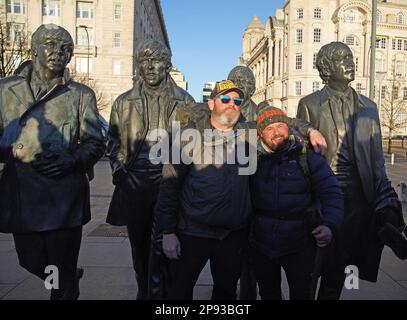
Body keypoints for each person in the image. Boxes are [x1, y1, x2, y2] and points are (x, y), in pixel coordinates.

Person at [156, 80, 327, 300]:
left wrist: (311, 130)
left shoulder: (247, 132)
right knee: (179, 291)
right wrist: (168, 232)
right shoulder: (188, 137)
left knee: (226, 293)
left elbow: (281, 121)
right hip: (193, 233)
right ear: (211, 104)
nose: (232, 105)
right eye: (225, 99)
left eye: (237, 101)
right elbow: (169, 185)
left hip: (232, 236)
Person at [0, 24, 105, 300]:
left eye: (65, 48)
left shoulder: (81, 94)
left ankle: (65, 285)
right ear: (33, 49)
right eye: (49, 44)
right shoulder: (4, 90)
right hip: (22, 195)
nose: (57, 52)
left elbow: (96, 142)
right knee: (30, 260)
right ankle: (66, 278)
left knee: (61, 271)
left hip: (64, 196)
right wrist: (10, 149)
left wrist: (72, 160)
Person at [297, 41, 407, 300]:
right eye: (342, 59)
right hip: (326, 192)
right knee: (322, 263)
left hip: (358, 194)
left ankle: (390, 227)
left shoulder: (369, 106)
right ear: (326, 67)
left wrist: (384, 192)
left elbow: (376, 156)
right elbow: (301, 153)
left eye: (351, 57)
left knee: (347, 263)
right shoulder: (310, 104)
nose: (351, 62)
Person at [106, 39, 196, 300]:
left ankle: (159, 295)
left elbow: (191, 139)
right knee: (140, 244)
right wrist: (117, 165)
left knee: (164, 244)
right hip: (135, 182)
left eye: (156, 61)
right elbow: (111, 139)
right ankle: (144, 288)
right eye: (145, 62)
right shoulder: (123, 102)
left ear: (167, 65)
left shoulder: (184, 101)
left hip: (169, 180)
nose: (151, 67)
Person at [250, 106, 343, 300]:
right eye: (269, 128)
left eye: (281, 126)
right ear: (260, 134)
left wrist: (329, 225)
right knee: (268, 293)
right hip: (261, 244)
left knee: (301, 293)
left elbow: (332, 193)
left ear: (289, 128)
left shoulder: (307, 157)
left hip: (300, 243)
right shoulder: (252, 160)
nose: (276, 132)